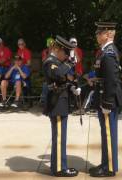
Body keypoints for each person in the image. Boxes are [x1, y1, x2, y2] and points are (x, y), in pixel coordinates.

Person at [90, 22, 122, 177]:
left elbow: (111, 80)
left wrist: (107, 103)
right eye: (97, 32)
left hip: (107, 99)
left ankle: (109, 168)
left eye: (100, 32)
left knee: (109, 134)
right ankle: (106, 163)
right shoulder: (104, 51)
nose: (97, 35)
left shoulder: (109, 53)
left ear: (109, 34)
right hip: (103, 96)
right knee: (106, 134)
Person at [42, 35, 80, 177]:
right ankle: (59, 169)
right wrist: (70, 63)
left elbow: (63, 80)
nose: (65, 56)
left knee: (60, 136)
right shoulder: (50, 62)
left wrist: (72, 87)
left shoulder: (57, 61)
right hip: (56, 104)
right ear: (57, 49)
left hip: (61, 102)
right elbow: (58, 74)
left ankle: (57, 166)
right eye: (65, 53)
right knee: (59, 137)